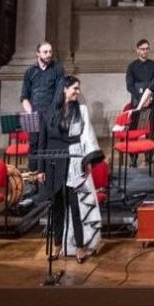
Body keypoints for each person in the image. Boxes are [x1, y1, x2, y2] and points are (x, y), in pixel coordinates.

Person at [44, 76, 103, 262]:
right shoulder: (53, 111)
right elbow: (47, 138)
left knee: (76, 204)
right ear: (64, 89)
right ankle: (58, 245)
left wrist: (87, 159)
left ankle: (80, 246)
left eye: (78, 89)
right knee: (58, 206)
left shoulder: (82, 110)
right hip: (58, 160)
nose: (78, 92)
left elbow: (87, 135)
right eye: (74, 88)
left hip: (76, 159)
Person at [20, 42, 64, 118]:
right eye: (45, 52)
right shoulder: (30, 71)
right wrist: (30, 113)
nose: (49, 55)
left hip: (52, 114)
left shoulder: (58, 69)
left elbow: (59, 94)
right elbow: (24, 96)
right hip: (35, 114)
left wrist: (53, 113)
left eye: (50, 52)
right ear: (38, 53)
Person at [126, 39, 154, 125]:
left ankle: (150, 138)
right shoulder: (131, 66)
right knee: (135, 125)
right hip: (136, 100)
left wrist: (149, 97)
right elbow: (129, 86)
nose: (145, 51)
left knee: (150, 126)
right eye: (142, 49)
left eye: (147, 49)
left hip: (151, 99)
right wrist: (141, 98)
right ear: (137, 50)